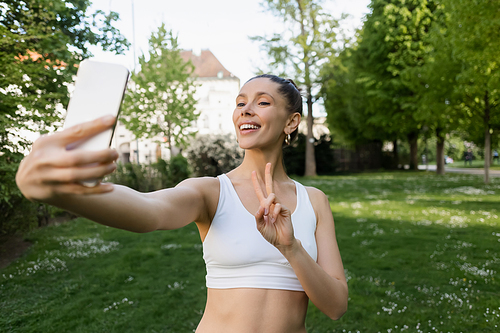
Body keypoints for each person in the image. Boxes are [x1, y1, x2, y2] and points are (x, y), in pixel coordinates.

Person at [16, 74, 348, 332]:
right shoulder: (210, 192)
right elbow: (148, 210)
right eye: (240, 102)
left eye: (262, 102)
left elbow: (336, 306)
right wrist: (64, 191)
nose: (245, 109)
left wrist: (291, 248)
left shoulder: (314, 202)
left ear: (291, 122)